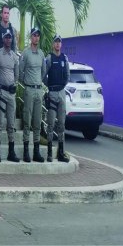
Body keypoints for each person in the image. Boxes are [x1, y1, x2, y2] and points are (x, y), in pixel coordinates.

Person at [19, 27, 47, 163]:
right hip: (29, 90)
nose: (36, 37)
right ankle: (26, 151)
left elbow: (43, 72)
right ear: (31, 37)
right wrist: (27, 83)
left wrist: (37, 83)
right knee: (27, 120)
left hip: (38, 90)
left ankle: (36, 152)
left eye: (38, 35)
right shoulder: (25, 53)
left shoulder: (41, 54)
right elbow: (20, 72)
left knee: (37, 121)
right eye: (34, 35)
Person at [0, 30, 21, 163]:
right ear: (3, 39)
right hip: (1, 92)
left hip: (11, 94)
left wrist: (14, 85)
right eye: (6, 38)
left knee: (11, 123)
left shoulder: (15, 56)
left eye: (10, 38)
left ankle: (11, 151)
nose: (8, 40)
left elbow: (17, 75)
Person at [45, 34, 71, 163]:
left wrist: (61, 86)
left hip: (61, 93)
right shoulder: (49, 58)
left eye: (59, 42)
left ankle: (61, 152)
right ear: (53, 44)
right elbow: (44, 75)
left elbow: (67, 75)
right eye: (55, 42)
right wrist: (49, 86)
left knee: (61, 124)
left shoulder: (64, 58)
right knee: (50, 123)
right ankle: (49, 153)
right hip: (52, 93)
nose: (57, 44)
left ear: (61, 44)